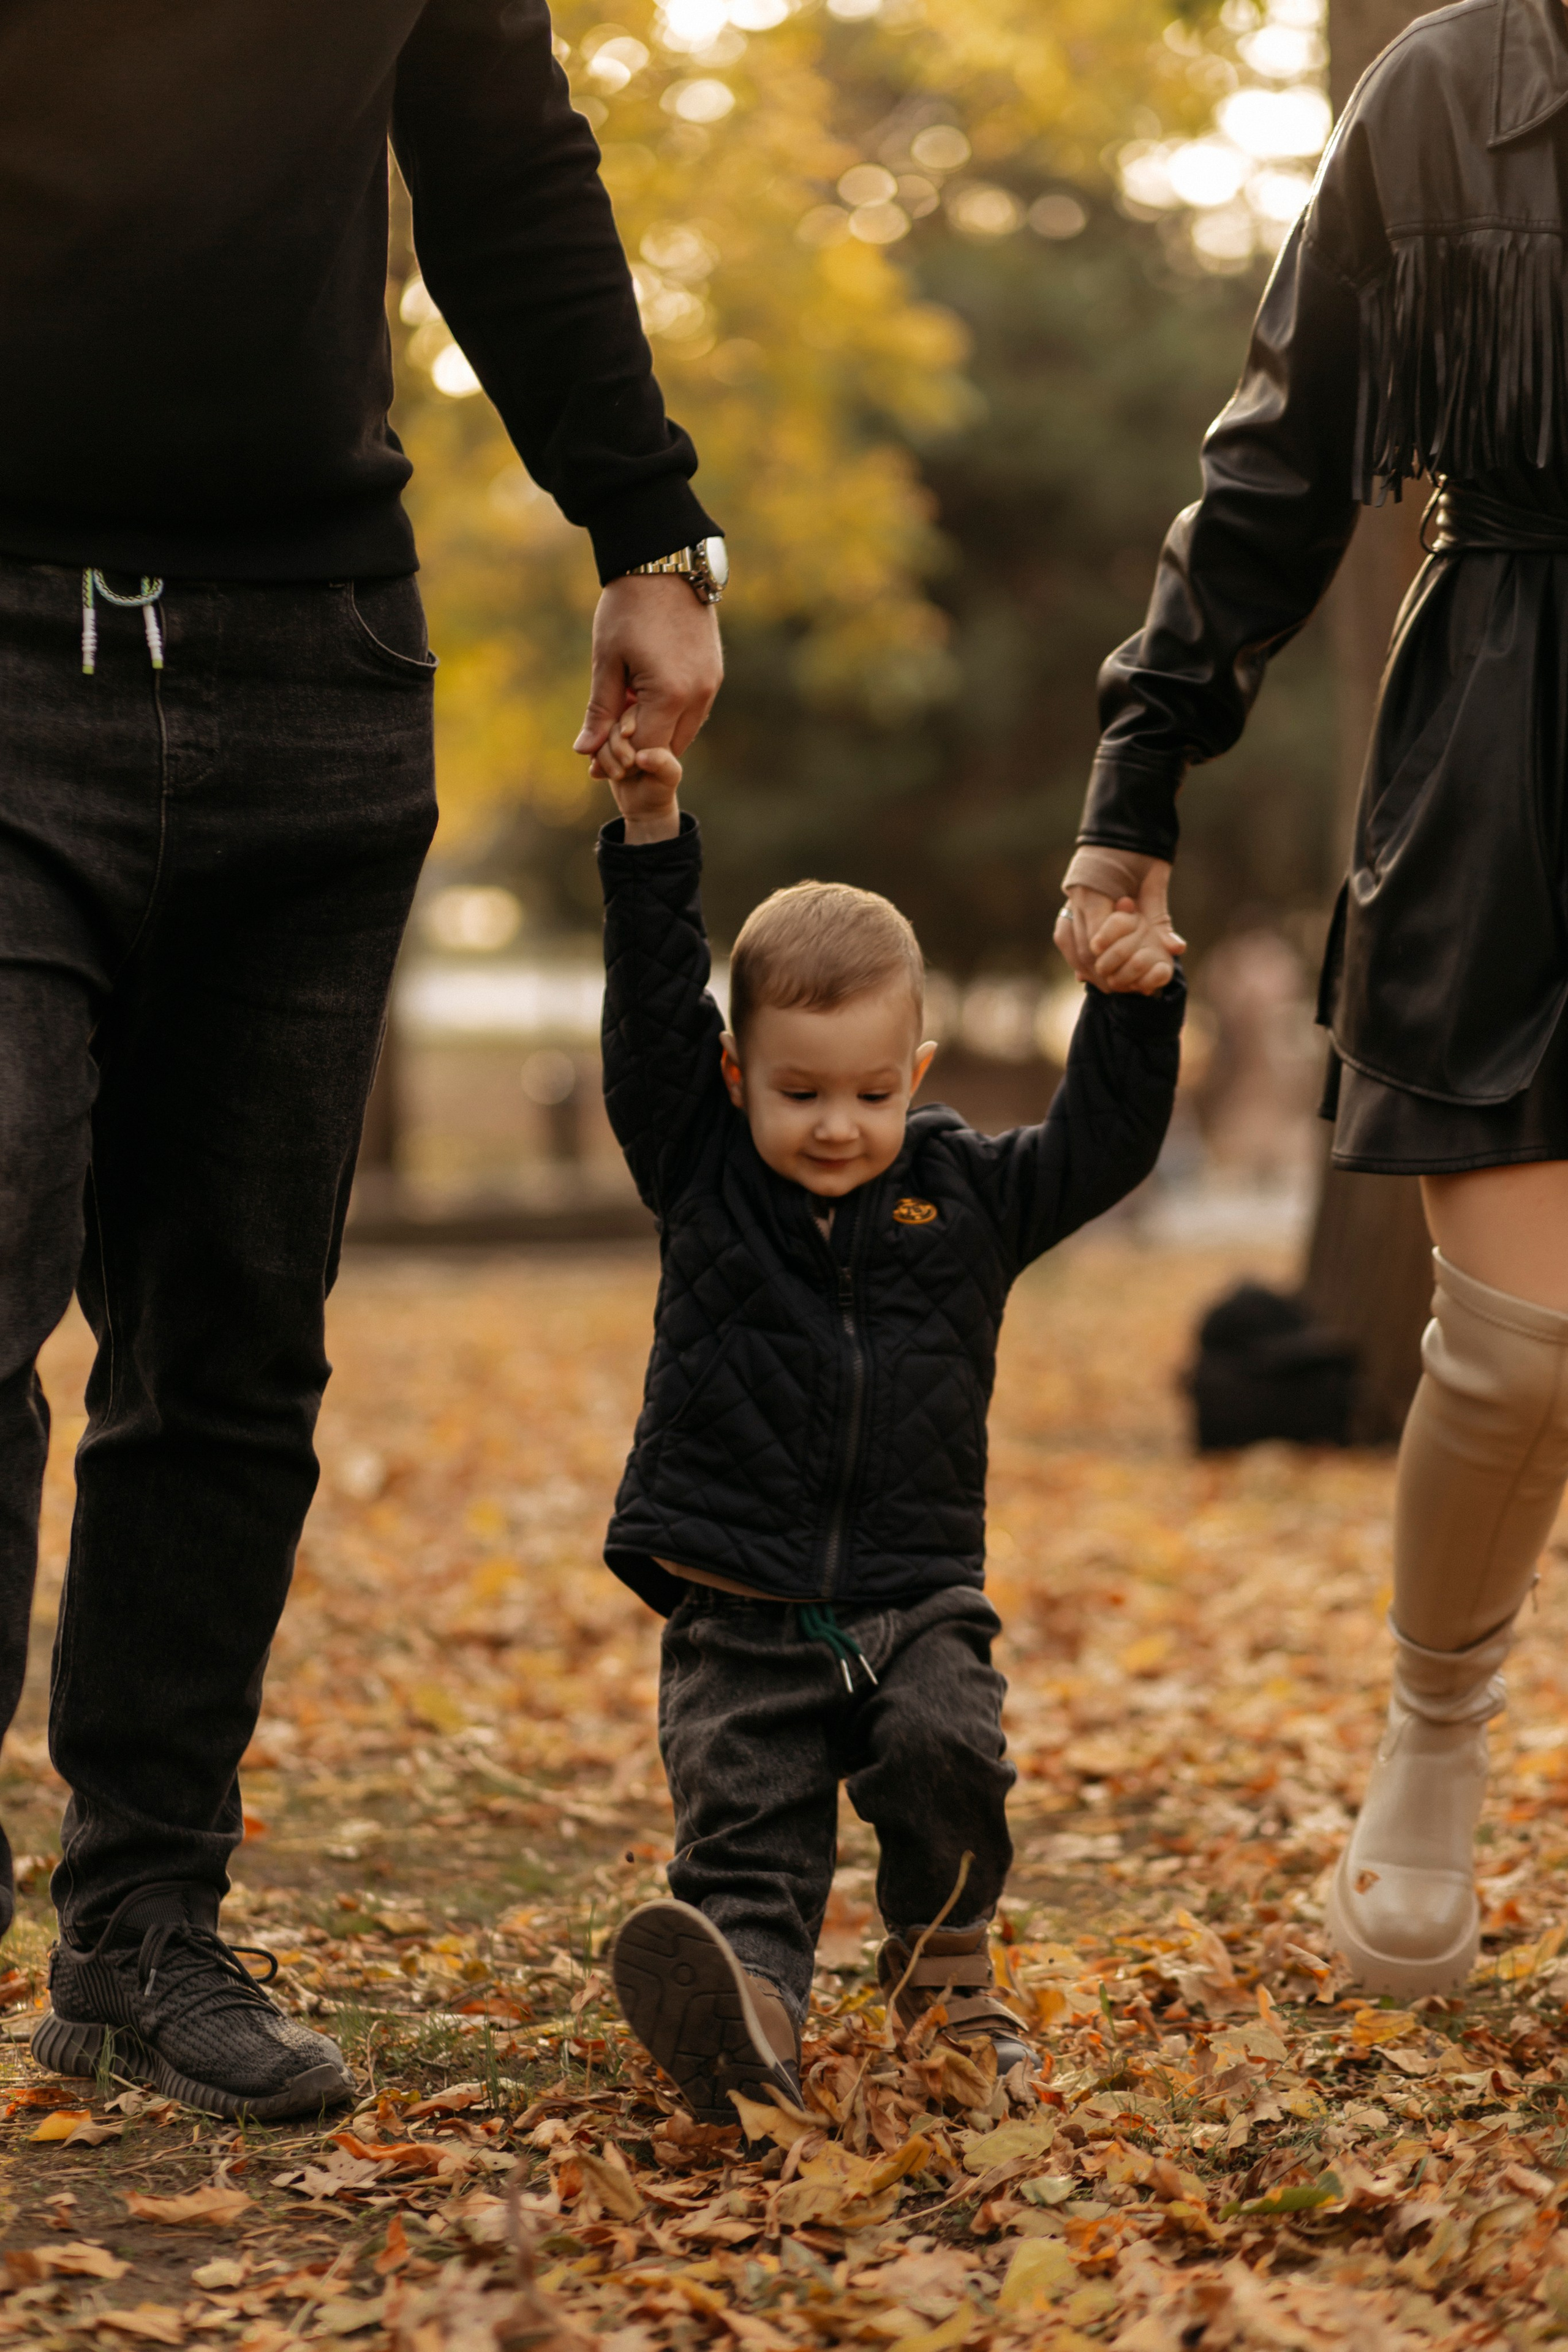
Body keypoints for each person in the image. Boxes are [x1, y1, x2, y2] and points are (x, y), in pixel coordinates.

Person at [9, 1, 723, 2119]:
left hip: (316, 656)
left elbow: (503, 159)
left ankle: (141, 1933)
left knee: (228, 1353)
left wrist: (651, 529)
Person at [1056, 0, 1568, 1997]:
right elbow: (1277, 458)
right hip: (1507, 762)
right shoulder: (1447, 93)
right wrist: (1139, 775)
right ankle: (1433, 1748)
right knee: (1522, 1353)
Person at [589, 709, 1183, 2123]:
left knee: (947, 1756)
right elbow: (645, 1010)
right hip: (738, 1600)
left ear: (914, 1077)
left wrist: (1133, 1003)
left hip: (915, 1590)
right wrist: (650, 834)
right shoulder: (701, 1168)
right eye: (796, 1092)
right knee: (749, 1831)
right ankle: (745, 2009)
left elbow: (1101, 1146)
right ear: (737, 1077)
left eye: (868, 1091)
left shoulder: (963, 1198)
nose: (836, 1125)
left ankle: (942, 1968)